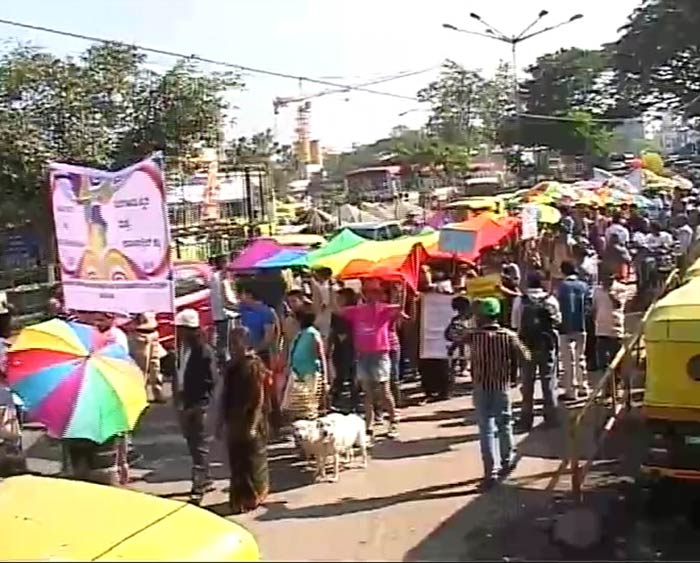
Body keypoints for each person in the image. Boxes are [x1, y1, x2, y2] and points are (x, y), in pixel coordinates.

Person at [456, 298, 529, 490]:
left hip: (481, 386)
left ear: (480, 316)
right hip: (502, 386)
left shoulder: (473, 336)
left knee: (486, 430)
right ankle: (508, 459)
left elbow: (451, 335)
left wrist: (465, 315)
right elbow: (526, 356)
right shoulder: (508, 335)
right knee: (504, 424)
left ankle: (490, 472)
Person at [342, 280, 405, 440]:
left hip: (380, 354)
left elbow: (400, 309)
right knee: (367, 393)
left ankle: (393, 420)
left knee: (384, 390)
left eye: (375, 292)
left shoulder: (384, 309)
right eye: (368, 292)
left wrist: (401, 290)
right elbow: (337, 310)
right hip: (363, 355)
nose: (371, 295)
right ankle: (369, 426)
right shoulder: (357, 310)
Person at [217, 326, 269, 514]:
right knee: (236, 462)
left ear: (246, 343)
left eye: (237, 342)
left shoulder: (253, 365)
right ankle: (238, 499)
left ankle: (253, 497)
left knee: (252, 462)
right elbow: (224, 396)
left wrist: (253, 425)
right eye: (231, 342)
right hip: (234, 419)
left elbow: (259, 397)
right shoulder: (231, 366)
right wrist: (220, 421)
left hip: (250, 420)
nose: (233, 346)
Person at [173, 308, 218, 505]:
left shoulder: (204, 352)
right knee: (192, 444)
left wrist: (200, 404)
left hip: (199, 405)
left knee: (200, 446)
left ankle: (198, 486)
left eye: (182, 329)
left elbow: (211, 380)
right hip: (185, 401)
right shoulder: (182, 350)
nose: (179, 333)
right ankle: (206, 478)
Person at [511, 271, 561, 431]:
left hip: (526, 344)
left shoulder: (520, 300)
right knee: (549, 381)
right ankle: (551, 417)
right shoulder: (551, 299)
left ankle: (526, 419)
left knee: (527, 382)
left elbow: (514, 323)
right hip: (546, 344)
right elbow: (558, 320)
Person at [284, 309, 328, 421]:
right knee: (295, 400)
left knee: (309, 401)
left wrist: (325, 377)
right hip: (296, 371)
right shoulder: (299, 334)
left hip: (310, 371)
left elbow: (321, 354)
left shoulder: (313, 333)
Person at [557, 261, 590, 401]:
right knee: (580, 358)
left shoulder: (562, 287)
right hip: (581, 326)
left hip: (565, 327)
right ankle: (584, 387)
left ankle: (571, 391)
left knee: (568, 361)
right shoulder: (583, 286)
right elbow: (589, 306)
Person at [329, 288, 359, 413]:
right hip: (339, 348)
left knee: (353, 375)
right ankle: (335, 400)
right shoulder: (335, 314)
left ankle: (354, 402)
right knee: (340, 375)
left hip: (353, 346)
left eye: (341, 298)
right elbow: (333, 330)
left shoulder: (355, 312)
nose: (338, 301)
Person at [592, 269, 627, 376]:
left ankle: (616, 383)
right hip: (601, 329)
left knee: (616, 360)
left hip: (615, 329)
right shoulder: (597, 290)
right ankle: (605, 386)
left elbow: (618, 305)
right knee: (602, 361)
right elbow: (595, 307)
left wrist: (610, 293)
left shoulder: (621, 289)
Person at [127, 312, 165, 403]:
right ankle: (140, 395)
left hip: (153, 333)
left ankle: (157, 392)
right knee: (142, 367)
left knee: (155, 365)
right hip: (140, 335)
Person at [237, 283, 277, 366]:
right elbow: (226, 304)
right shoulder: (243, 308)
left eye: (241, 294)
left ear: (249, 295)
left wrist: (255, 351)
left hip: (261, 356)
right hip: (246, 353)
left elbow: (268, 338)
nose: (239, 297)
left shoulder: (266, 312)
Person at [209, 254, 237, 367]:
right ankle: (223, 362)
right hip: (224, 313)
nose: (229, 264)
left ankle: (223, 360)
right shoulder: (219, 278)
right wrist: (235, 305)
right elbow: (223, 297)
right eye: (226, 262)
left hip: (223, 313)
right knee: (225, 340)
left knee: (224, 339)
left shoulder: (220, 277)